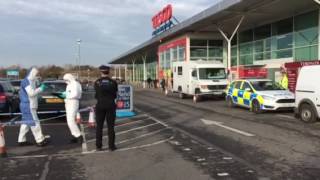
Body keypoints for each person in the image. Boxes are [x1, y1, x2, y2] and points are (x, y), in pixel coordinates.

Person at [18, 67, 51, 147]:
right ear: (32, 73)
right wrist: (41, 88)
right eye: (36, 74)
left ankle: (21, 140)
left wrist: (39, 87)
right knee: (35, 123)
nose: (37, 75)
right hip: (28, 105)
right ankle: (40, 140)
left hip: (28, 105)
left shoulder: (31, 81)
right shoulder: (26, 81)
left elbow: (33, 92)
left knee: (26, 123)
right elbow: (31, 93)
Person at [94, 65, 118, 151]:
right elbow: (115, 94)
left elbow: (96, 95)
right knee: (111, 127)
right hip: (110, 105)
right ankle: (111, 146)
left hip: (100, 105)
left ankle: (98, 146)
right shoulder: (113, 82)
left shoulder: (97, 82)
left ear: (101, 72)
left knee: (99, 127)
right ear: (108, 71)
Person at [59, 73, 83, 143]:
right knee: (70, 121)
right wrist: (63, 94)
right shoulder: (69, 84)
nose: (65, 81)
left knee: (71, 121)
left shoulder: (75, 84)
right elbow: (68, 92)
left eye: (66, 79)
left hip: (73, 102)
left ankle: (78, 136)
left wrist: (66, 95)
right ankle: (75, 135)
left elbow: (75, 94)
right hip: (69, 103)